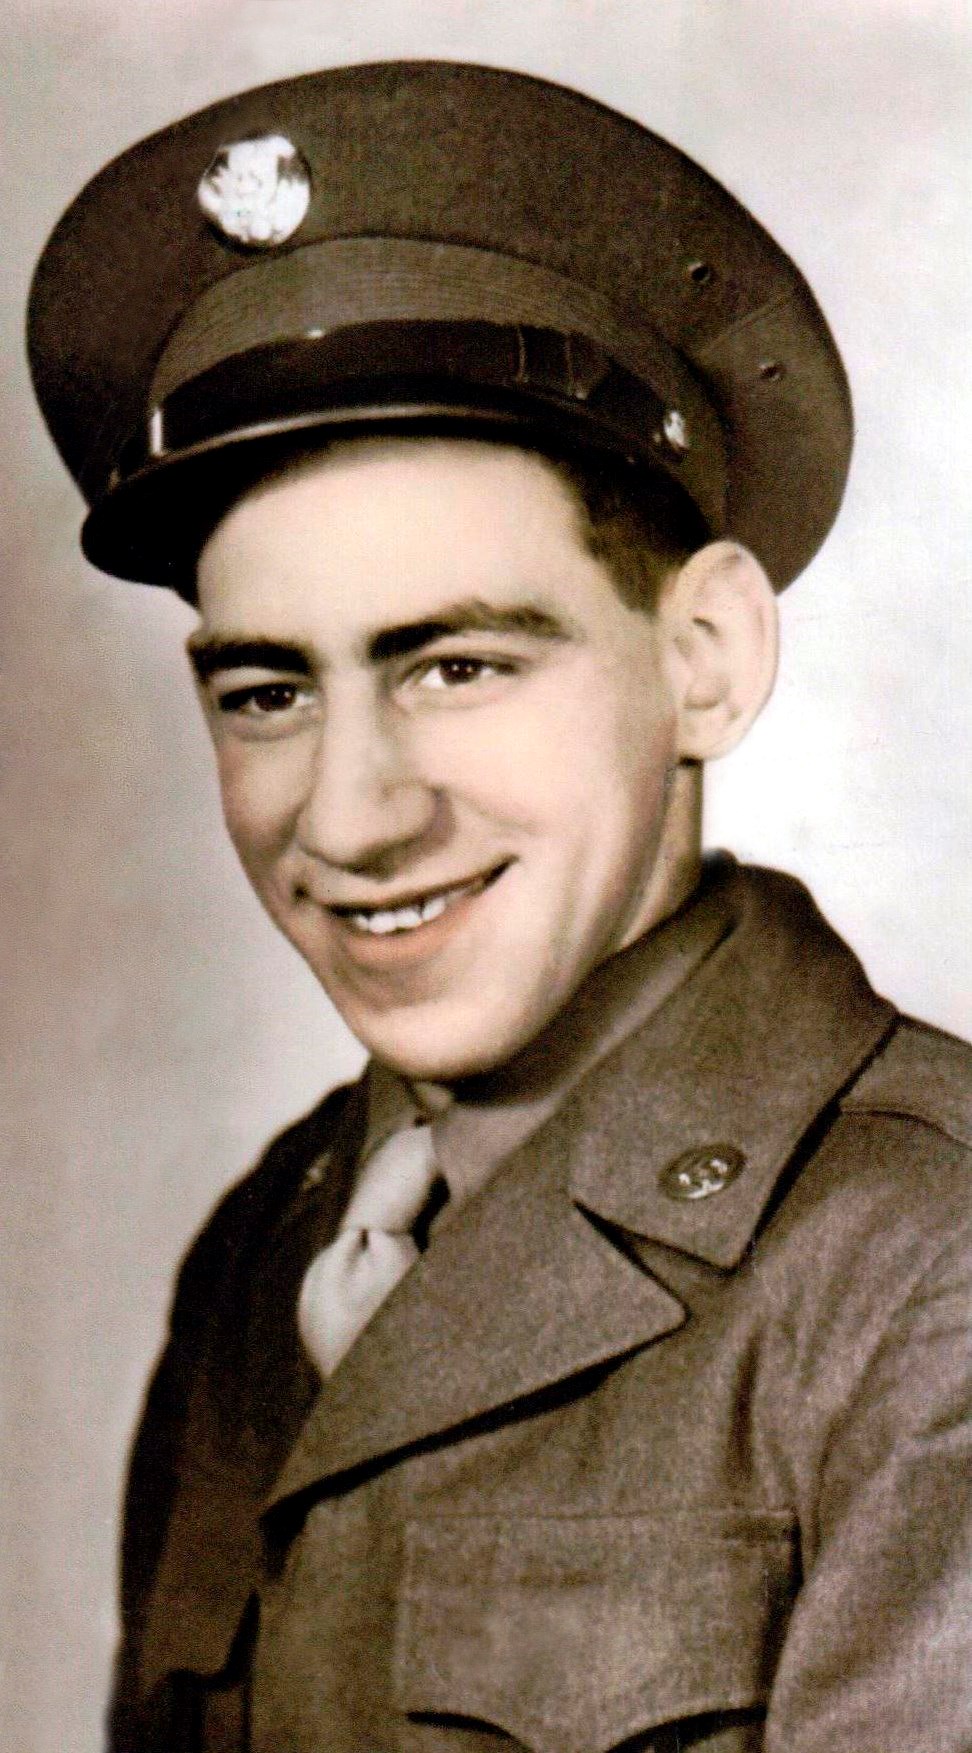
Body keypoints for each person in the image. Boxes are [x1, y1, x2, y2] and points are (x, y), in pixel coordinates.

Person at [27, 60, 971, 1753]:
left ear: (705, 659)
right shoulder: (271, 1247)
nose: (352, 815)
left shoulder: (926, 1270)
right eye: (267, 692)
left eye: (455, 665)